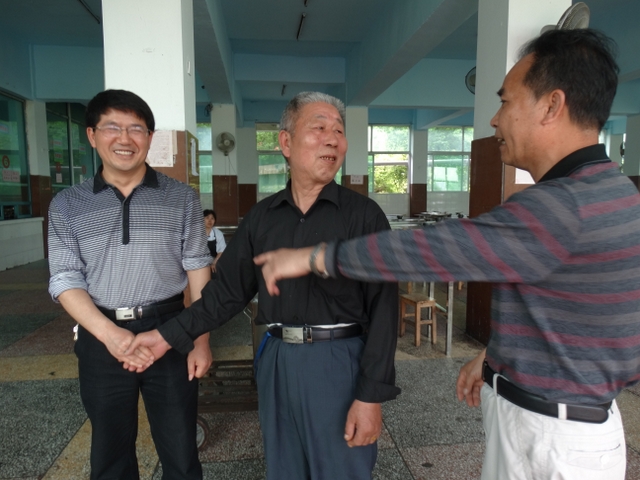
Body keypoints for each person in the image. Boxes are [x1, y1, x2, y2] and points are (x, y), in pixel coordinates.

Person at [253, 29, 640, 480]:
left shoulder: (563, 205)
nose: (494, 119)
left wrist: (315, 258)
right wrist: (497, 356)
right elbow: (576, 313)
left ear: (551, 106)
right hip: (557, 422)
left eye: (505, 102)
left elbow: (439, 249)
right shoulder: (612, 192)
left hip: (554, 442)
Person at [127, 91, 400, 480]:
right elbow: (224, 295)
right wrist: (166, 336)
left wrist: (371, 396)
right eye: (319, 128)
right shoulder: (262, 218)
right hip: (276, 359)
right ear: (286, 142)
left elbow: (385, 311)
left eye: (339, 131)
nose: (332, 139)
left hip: (339, 361)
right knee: (284, 469)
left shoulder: (364, 217)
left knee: (342, 470)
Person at [48, 89, 213, 479]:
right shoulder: (67, 204)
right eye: (112, 127)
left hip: (171, 329)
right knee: (110, 455)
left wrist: (201, 340)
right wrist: (111, 336)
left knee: (181, 452)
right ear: (92, 135)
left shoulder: (182, 198)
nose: (125, 139)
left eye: (136, 129)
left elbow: (198, 270)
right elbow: (65, 279)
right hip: (100, 333)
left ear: (150, 138)